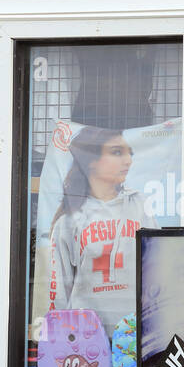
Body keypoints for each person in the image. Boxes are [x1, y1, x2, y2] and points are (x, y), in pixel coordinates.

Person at [48, 126, 159, 335]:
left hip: (136, 336)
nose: (128, 160)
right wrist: (60, 337)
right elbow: (59, 291)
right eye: (117, 152)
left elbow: (158, 269)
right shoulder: (69, 219)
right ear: (91, 160)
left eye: (129, 153)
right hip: (85, 338)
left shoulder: (139, 206)